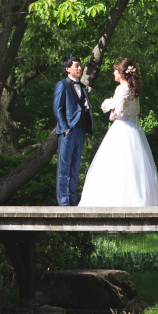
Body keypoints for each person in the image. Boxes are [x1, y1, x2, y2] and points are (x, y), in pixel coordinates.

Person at [79, 58, 158, 207]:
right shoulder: (133, 89)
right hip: (135, 129)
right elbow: (134, 110)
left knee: (116, 165)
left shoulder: (121, 88)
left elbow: (119, 111)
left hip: (122, 128)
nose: (113, 73)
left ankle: (116, 200)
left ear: (121, 73)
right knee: (134, 165)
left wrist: (111, 114)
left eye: (115, 70)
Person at [53, 54, 93, 207]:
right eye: (76, 65)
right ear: (67, 68)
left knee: (75, 166)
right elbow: (58, 108)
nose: (80, 68)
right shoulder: (62, 85)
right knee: (64, 166)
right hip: (68, 131)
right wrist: (65, 129)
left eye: (80, 65)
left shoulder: (83, 87)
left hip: (81, 130)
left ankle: (72, 201)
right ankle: (63, 202)